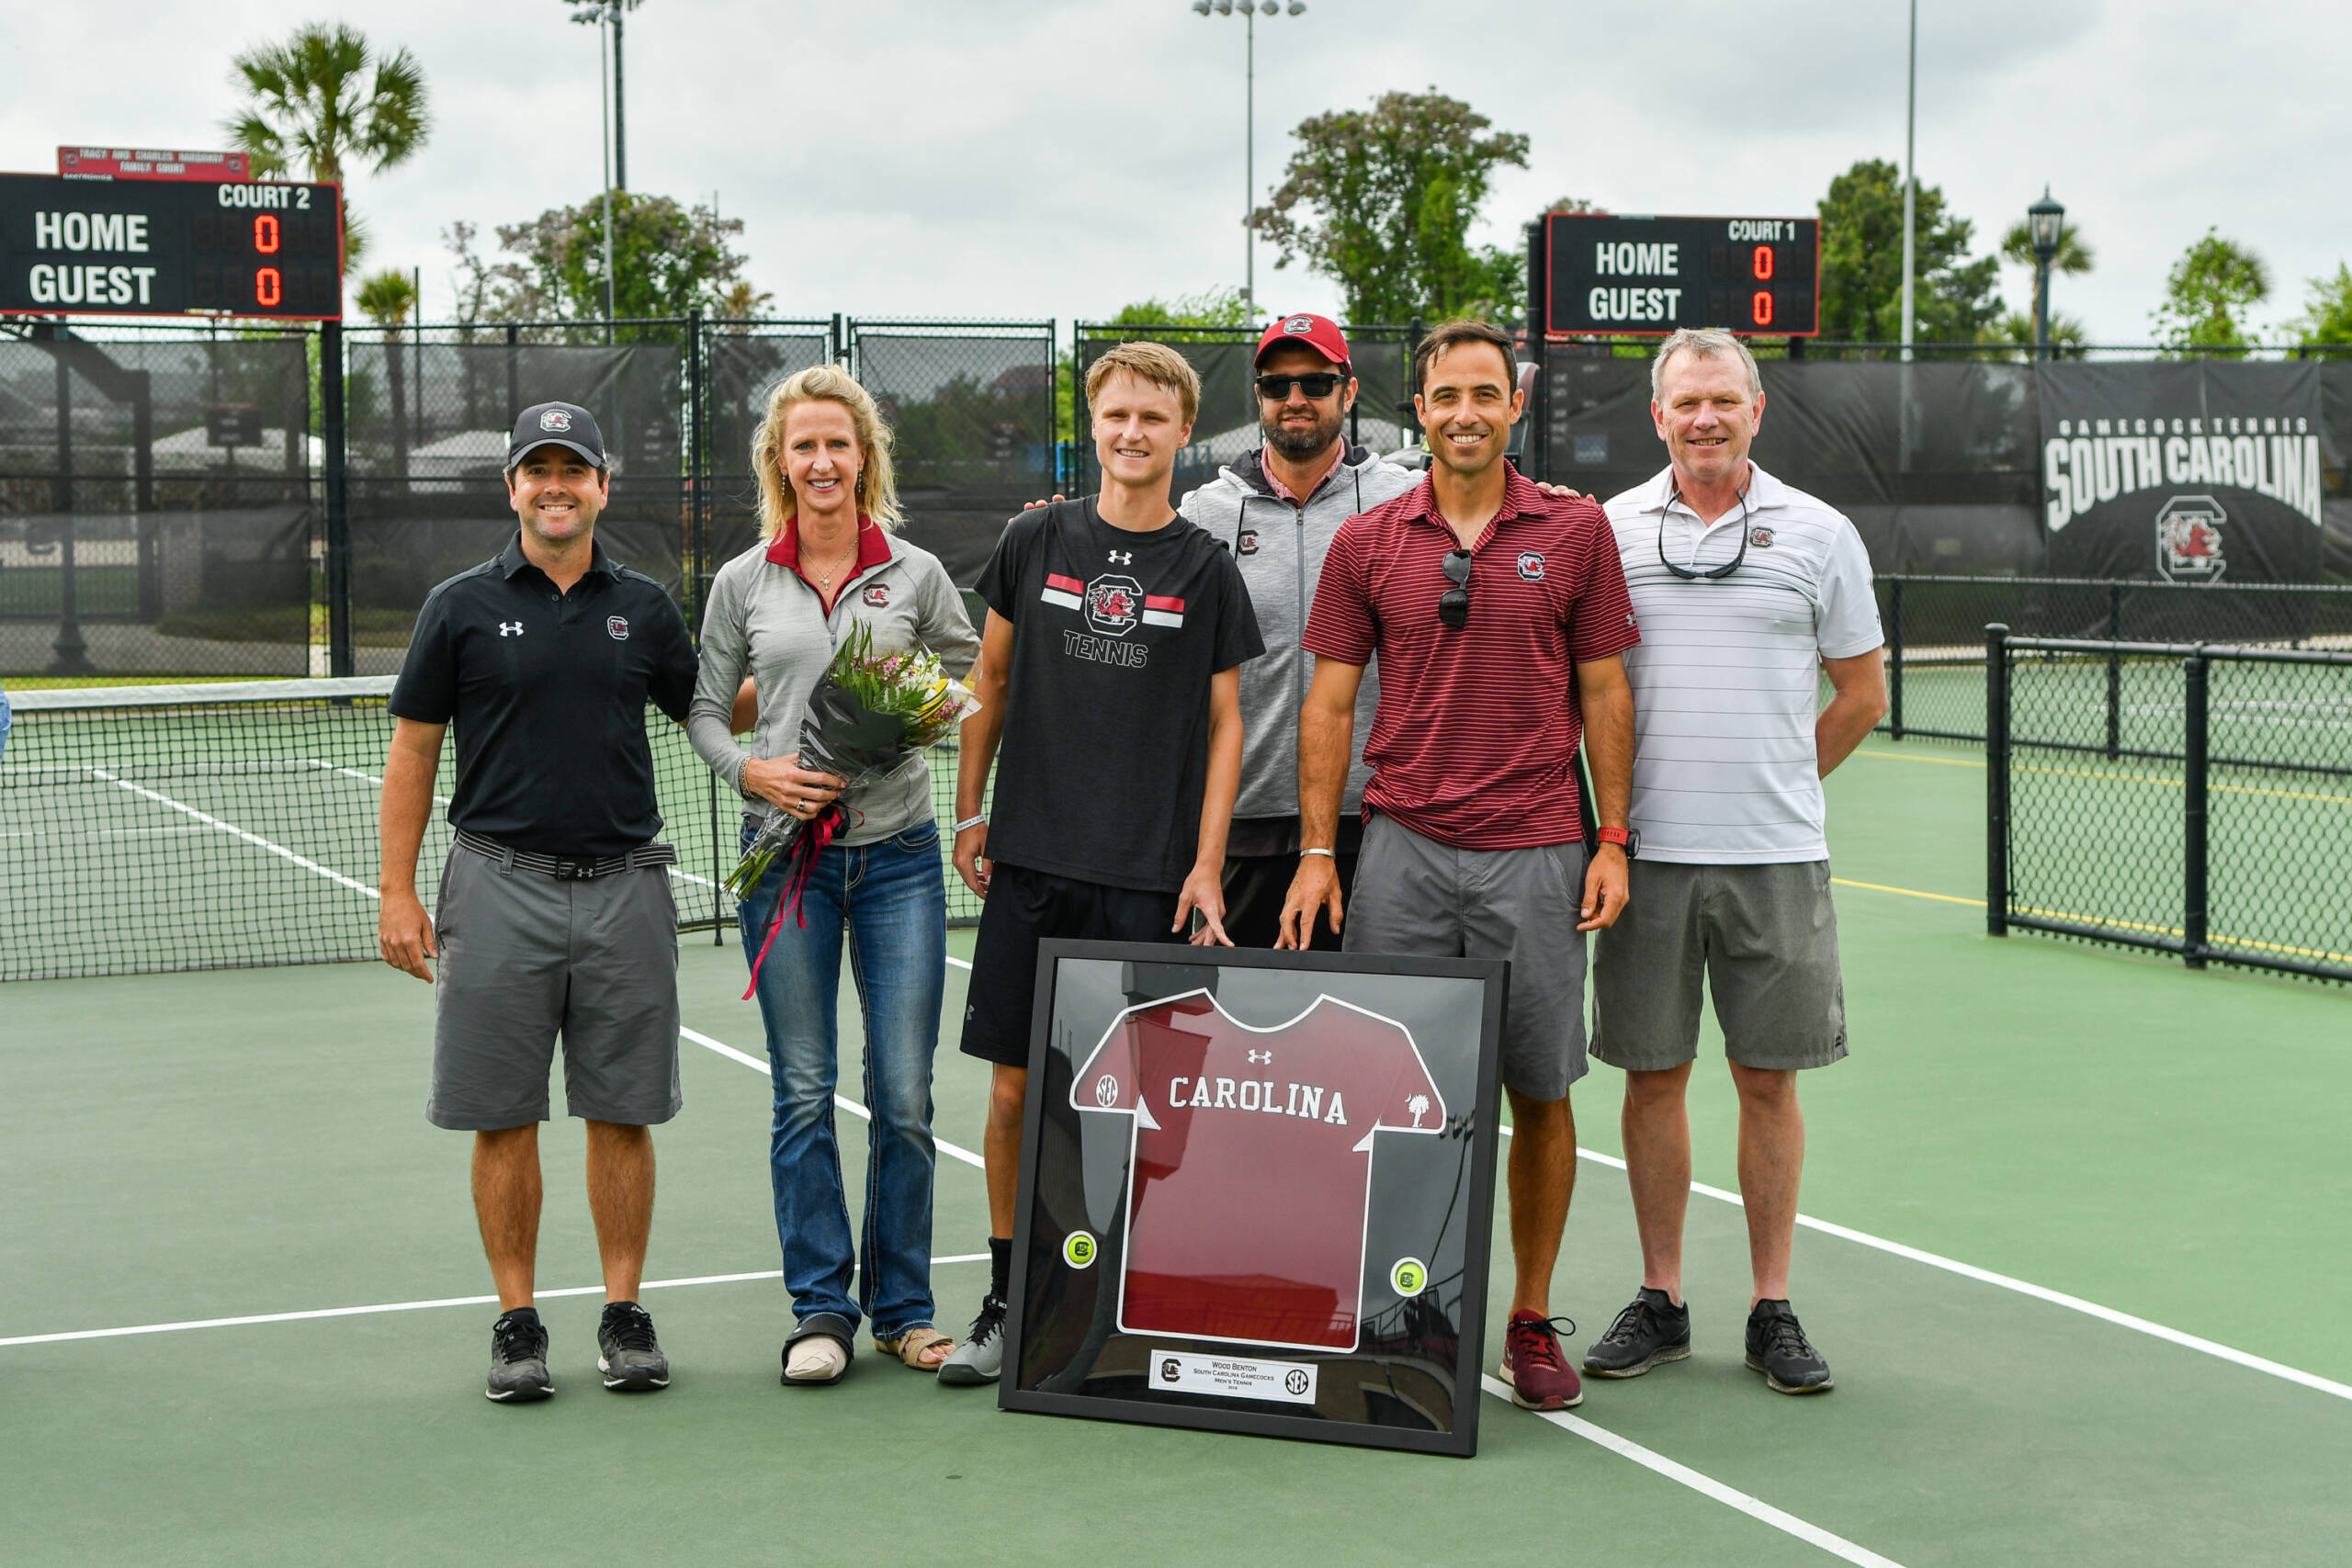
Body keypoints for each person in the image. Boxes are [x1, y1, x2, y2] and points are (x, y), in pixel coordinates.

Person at [1280, 318, 1639, 1415]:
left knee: (1540, 1090)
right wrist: (1314, 853)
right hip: (1400, 853)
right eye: (1446, 396)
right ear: (1419, 409)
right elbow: (1330, 702)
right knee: (1387, 1101)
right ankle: (1402, 1314)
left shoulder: (1575, 533)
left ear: (1512, 405)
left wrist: (1611, 838)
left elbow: (1605, 694)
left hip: (1535, 854)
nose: (1466, 412)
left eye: (1486, 393)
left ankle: (1527, 1318)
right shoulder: (1369, 542)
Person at [939, 341, 1263, 1386]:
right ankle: (1008, 1298)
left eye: (1152, 419)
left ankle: (1135, 1298)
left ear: (1182, 433)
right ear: (1095, 425)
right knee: (1015, 1096)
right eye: (1115, 416)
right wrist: (968, 813)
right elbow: (988, 677)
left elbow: (1225, 729)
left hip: (1151, 880)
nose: (1132, 433)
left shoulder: (1206, 569)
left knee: (1154, 1111)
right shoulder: (1034, 542)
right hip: (1034, 863)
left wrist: (1207, 866)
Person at [1583, 327, 1887, 1396]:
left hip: (1776, 859)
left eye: (1724, 399)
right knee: (1652, 1077)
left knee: (1768, 1082)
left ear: (1756, 410)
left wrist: (1786, 782)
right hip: (1642, 857)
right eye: (1685, 403)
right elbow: (1587, 687)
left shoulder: (1819, 532)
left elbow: (1862, 692)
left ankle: (1771, 1307)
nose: (1704, 418)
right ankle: (1661, 1299)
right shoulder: (1606, 530)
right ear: (1656, 417)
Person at [379, 401, 700, 1404]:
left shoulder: (645, 607)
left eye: (574, 469)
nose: (554, 486)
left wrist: (844, 688)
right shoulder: (458, 606)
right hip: (495, 887)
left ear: (603, 486)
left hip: (624, 892)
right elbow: (416, 749)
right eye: (536, 470)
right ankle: (517, 1325)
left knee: (622, 1111)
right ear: (511, 486)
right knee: (501, 1118)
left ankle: (623, 1315)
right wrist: (396, 889)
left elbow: (707, 707)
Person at [687, 366, 979, 1386]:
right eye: (802, 446)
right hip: (785, 869)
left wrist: (931, 709)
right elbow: (699, 710)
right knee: (803, 1095)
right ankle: (820, 1310)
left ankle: (903, 1310)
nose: (821, 462)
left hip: (898, 860)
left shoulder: (915, 571)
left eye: (838, 445)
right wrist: (752, 768)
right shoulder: (741, 583)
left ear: (865, 458)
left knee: (902, 1094)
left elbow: (972, 673)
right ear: (780, 461)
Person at [1174, 313, 1420, 948]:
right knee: (1243, 1036)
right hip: (1242, 820)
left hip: (1378, 821)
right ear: (1258, 396)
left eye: (1315, 382)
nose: (1295, 400)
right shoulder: (1203, 513)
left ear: (1349, 390)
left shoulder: (1410, 499)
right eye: (1277, 386)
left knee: (1368, 1033)